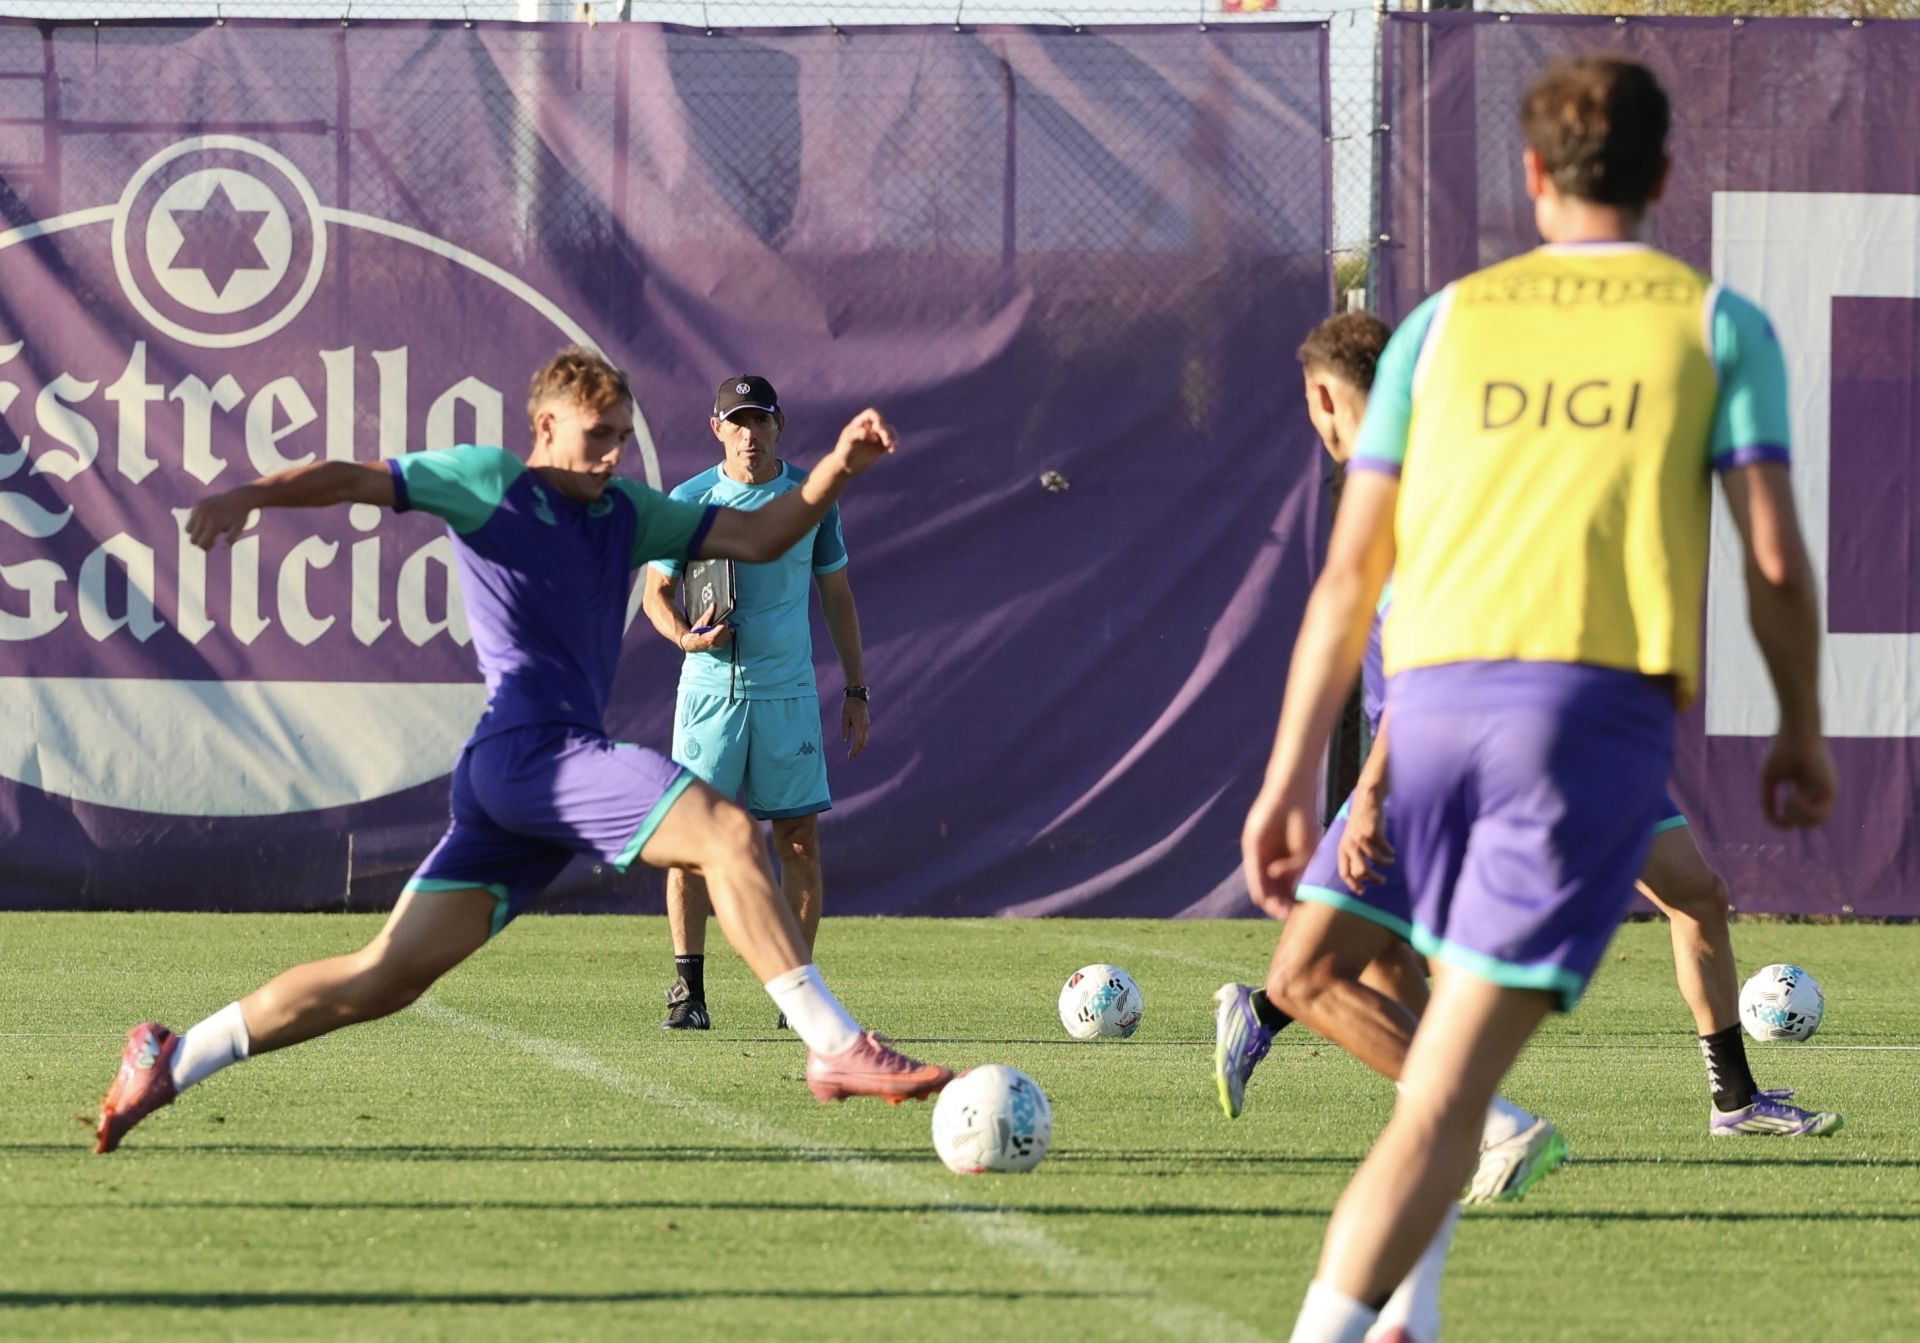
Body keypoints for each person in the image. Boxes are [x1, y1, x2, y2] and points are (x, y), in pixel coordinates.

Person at [1245, 57, 1836, 1343]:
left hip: (1434, 714)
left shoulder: (1444, 328)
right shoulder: (1714, 322)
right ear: (1665, 179)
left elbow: (1354, 571)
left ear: (1529, 176)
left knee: (1443, 1057)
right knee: (1453, 1089)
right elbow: (1778, 561)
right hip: (1577, 726)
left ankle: (1410, 1311)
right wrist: (1799, 722)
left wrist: (1293, 771)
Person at [95, 347, 950, 1155]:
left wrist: (839, 466)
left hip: (520, 782)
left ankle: (172, 1058)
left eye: (620, 436)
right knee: (728, 831)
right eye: (594, 436)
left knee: (380, 978)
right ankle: (834, 1043)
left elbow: (763, 538)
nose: (610, 454)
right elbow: (354, 477)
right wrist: (254, 494)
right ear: (544, 426)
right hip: (533, 752)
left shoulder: (628, 511)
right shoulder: (488, 482)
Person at [1213, 317, 1839, 1202]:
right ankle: (1464, 1122)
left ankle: (1710, 1099)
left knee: (1688, 896)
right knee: (1356, 966)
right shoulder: (1424, 485)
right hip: (1472, 756)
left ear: (1323, 399)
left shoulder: (1418, 484)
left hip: (1510, 745)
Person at [641, 375, 869, 1032]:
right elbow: (656, 592)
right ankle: (688, 992)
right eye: (736, 421)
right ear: (716, 428)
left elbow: (837, 596)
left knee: (798, 843)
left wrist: (856, 689)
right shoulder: (689, 501)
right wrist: (684, 635)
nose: (749, 433)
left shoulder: (810, 498)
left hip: (787, 695)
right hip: (709, 696)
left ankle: (794, 998)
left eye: (759, 420)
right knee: (690, 847)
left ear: (779, 425)